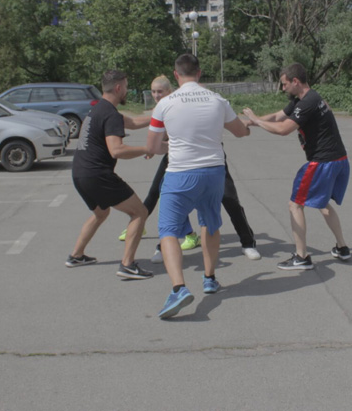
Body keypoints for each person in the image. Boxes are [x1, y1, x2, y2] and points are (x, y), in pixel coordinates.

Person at [146, 54, 250, 319]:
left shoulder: (165, 103)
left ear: (176, 75)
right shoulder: (218, 100)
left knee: (168, 230)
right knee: (210, 224)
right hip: (214, 172)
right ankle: (209, 278)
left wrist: (175, 144)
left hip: (180, 173)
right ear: (199, 72)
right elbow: (241, 132)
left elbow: (153, 147)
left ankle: (178, 288)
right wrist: (248, 125)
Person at [124, 76, 261, 263]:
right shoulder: (163, 107)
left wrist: (244, 127)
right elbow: (157, 139)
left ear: (170, 90)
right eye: (153, 91)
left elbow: (227, 125)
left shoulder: (199, 101)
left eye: (160, 91)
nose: (156, 95)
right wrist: (154, 149)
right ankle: (163, 247)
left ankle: (247, 242)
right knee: (161, 195)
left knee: (229, 198)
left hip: (210, 159)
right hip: (177, 159)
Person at [243, 62, 351, 271]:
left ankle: (301, 257)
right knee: (321, 203)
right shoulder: (306, 99)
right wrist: (251, 123)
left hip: (323, 162)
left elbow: (283, 129)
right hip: (338, 159)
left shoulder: (308, 102)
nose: (283, 88)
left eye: (284, 84)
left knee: (295, 205)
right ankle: (342, 247)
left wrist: (255, 119)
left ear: (295, 81)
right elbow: (278, 116)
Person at [67, 69, 157, 281]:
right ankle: (127, 265)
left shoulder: (99, 109)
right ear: (118, 88)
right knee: (140, 212)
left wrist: (157, 117)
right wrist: (148, 149)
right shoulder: (110, 114)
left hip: (79, 173)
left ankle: (76, 255)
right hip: (97, 175)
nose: (127, 90)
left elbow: (132, 123)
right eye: (126, 86)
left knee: (101, 213)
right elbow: (117, 150)